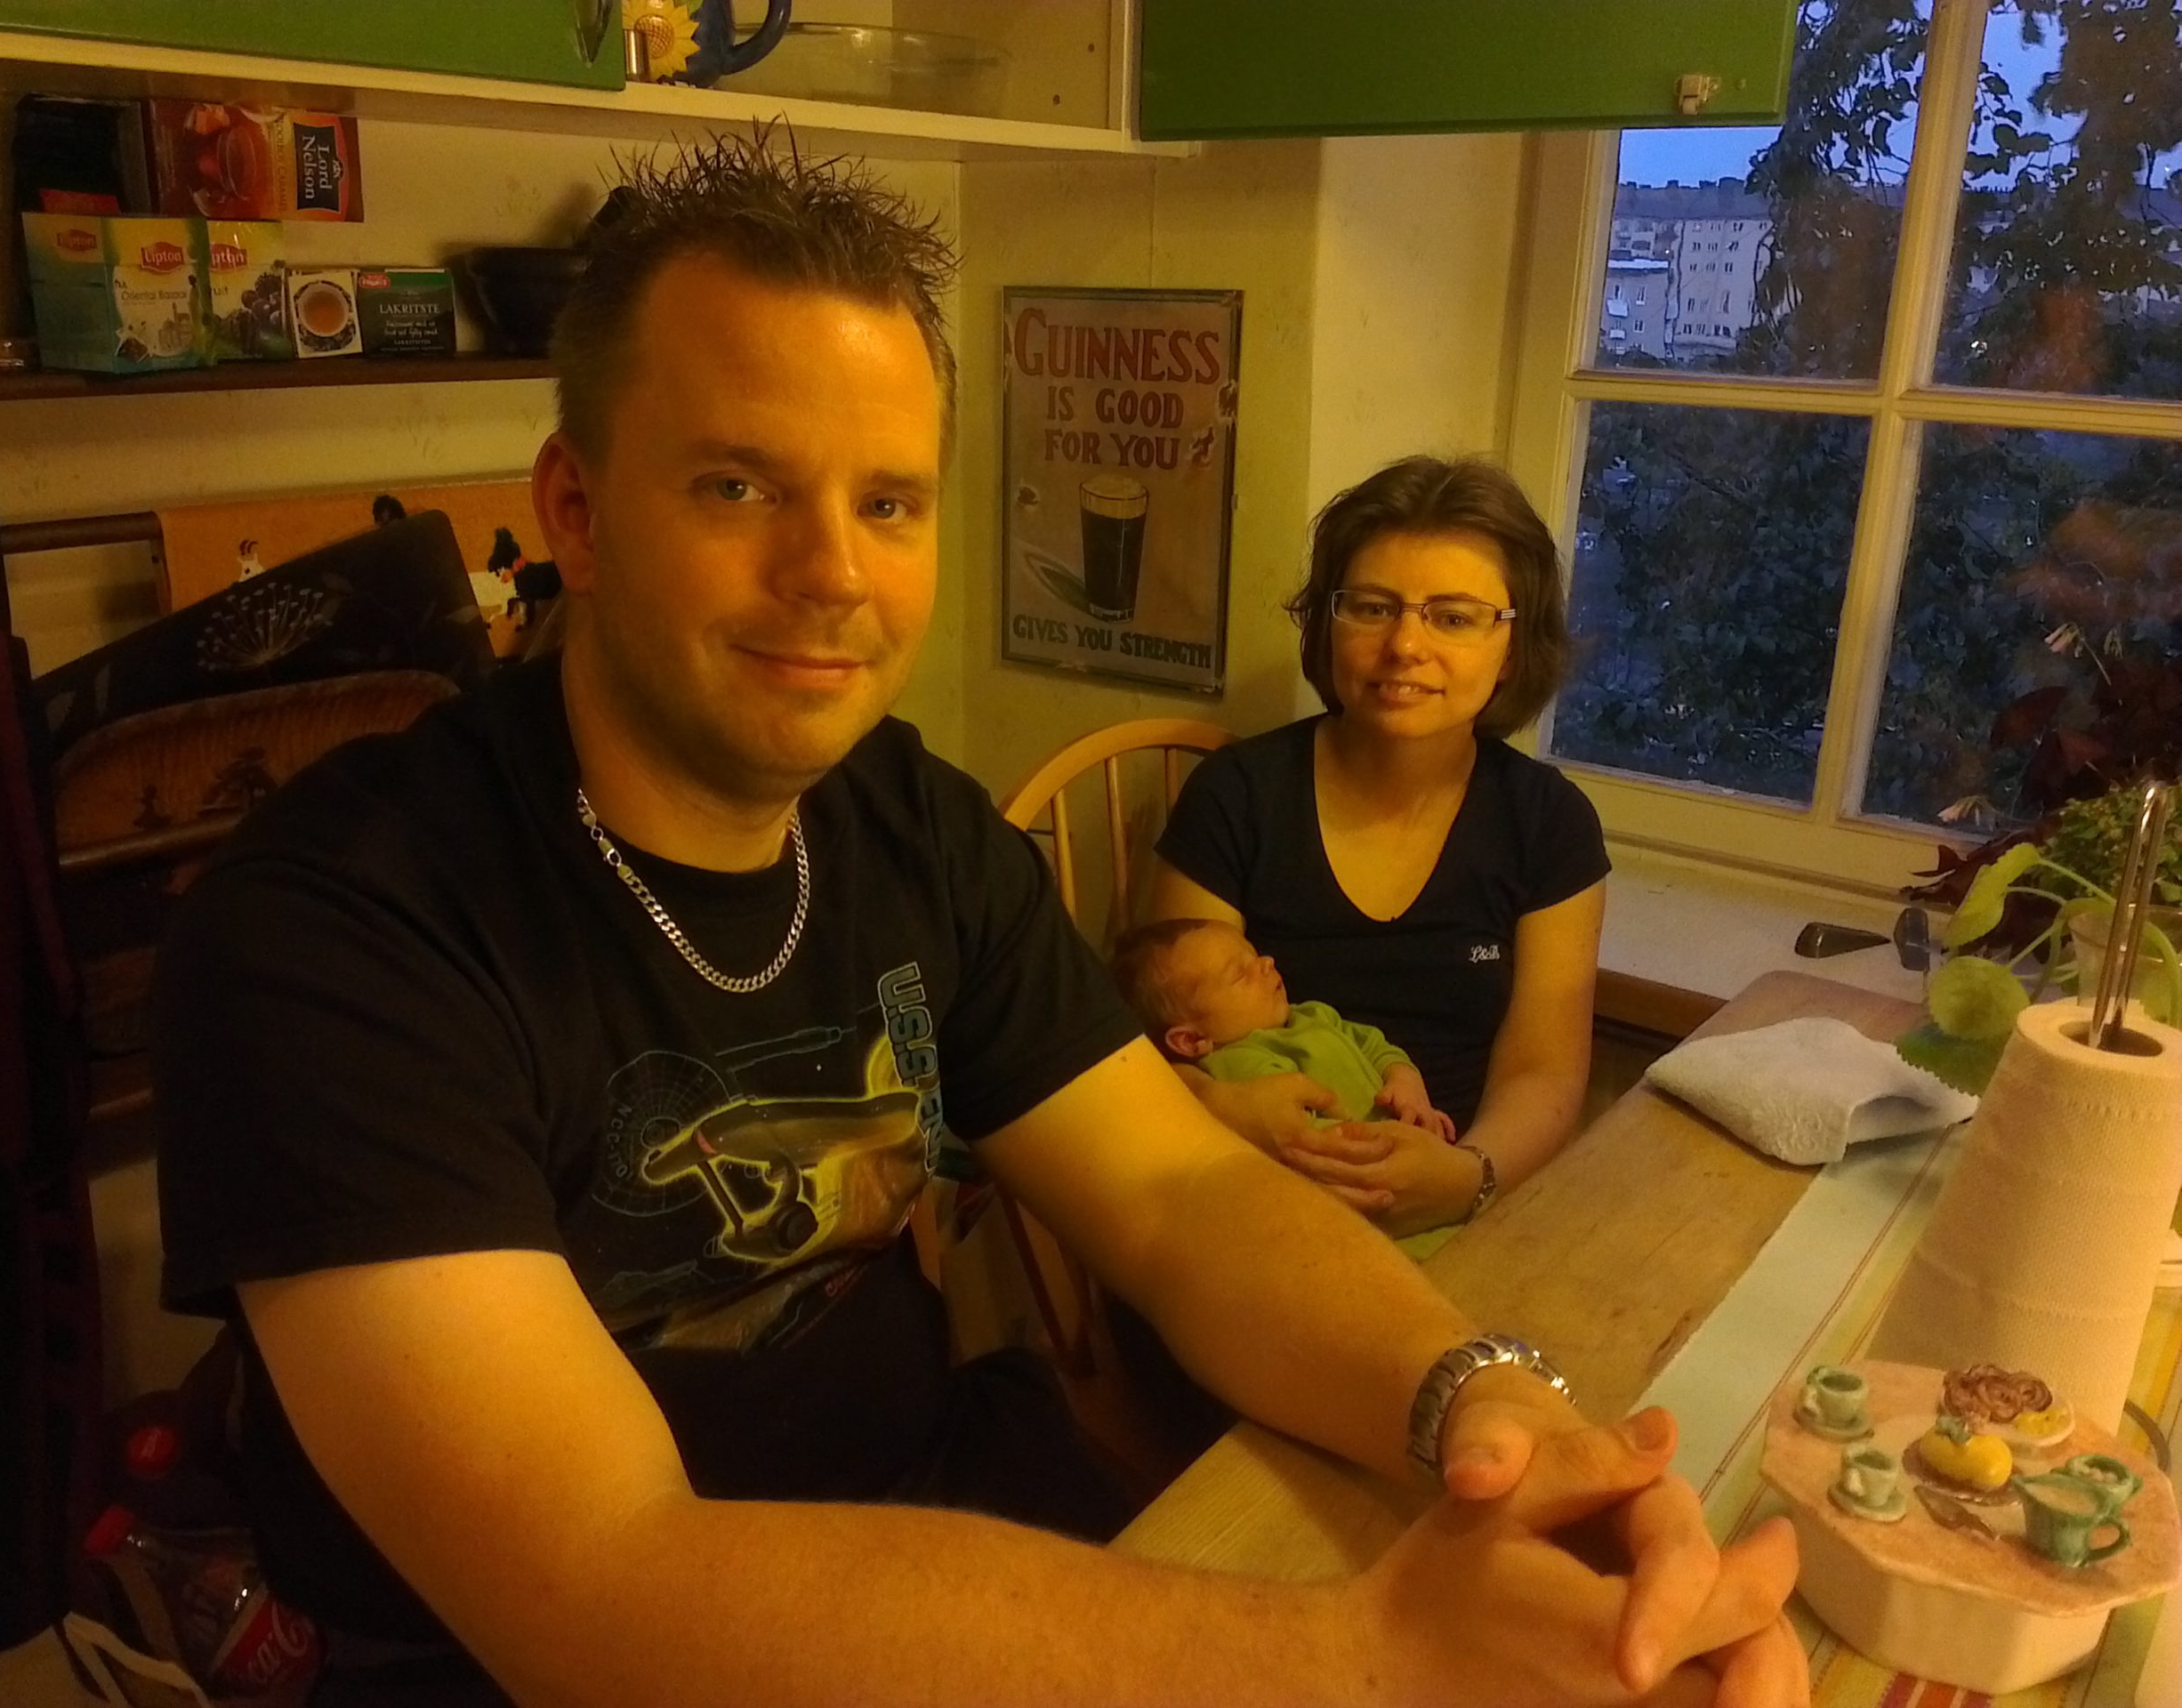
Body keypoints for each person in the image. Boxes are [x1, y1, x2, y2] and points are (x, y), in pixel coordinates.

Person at [152, 135, 1805, 1707]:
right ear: (576, 511)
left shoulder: (910, 824)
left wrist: (1497, 1419)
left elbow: (1178, 1194)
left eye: (888, 502)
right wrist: (1360, 1666)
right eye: (737, 485)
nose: (833, 574)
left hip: (933, 1520)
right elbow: (598, 1590)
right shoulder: (333, 928)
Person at [1149, 455, 1608, 1236]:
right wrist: (1226, 1111)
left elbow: (1544, 1074)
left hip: (1460, 1205)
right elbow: (1160, 1043)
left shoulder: (1550, 824)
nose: (1404, 646)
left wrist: (1467, 1177)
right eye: (1371, 607)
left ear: (1513, 648)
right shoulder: (1236, 797)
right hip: (1250, 1198)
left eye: (1454, 618)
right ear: (1328, 623)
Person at [1110, 917, 1455, 1142]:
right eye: (1239, 974)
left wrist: (1403, 1079)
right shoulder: (1240, 1065)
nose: (1266, 963)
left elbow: (1375, 1045)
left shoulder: (1311, 1014)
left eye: (1255, 955)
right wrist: (1401, 1143)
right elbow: (1303, 1134)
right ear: (1192, 1039)